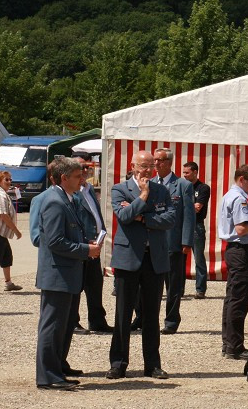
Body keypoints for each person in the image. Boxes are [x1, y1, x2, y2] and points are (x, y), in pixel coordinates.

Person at [106, 150, 175, 380]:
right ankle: (118, 363)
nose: (148, 170)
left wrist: (144, 218)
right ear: (133, 166)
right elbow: (124, 216)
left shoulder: (162, 190)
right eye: (143, 166)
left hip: (154, 259)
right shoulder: (119, 189)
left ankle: (152, 364)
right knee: (123, 314)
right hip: (128, 259)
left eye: (150, 166)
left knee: (151, 315)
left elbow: (170, 219)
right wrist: (143, 197)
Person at [35, 158, 101, 390]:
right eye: (76, 176)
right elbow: (54, 241)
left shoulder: (68, 199)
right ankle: (48, 376)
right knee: (52, 326)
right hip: (57, 275)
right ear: (64, 178)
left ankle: (57, 368)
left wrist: (87, 244)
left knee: (62, 326)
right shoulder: (55, 201)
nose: (82, 180)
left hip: (68, 273)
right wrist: (85, 250)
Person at [150, 148, 195, 335]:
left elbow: (188, 216)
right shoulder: (150, 184)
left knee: (173, 286)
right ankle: (147, 318)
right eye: (154, 161)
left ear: (168, 162)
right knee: (151, 284)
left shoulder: (183, 185)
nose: (156, 164)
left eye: (159, 160)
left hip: (173, 243)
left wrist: (186, 241)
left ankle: (171, 320)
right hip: (152, 243)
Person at [217, 164, 248, 360]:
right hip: (240, 250)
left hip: (235, 249)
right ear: (241, 179)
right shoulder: (239, 198)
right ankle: (234, 345)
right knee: (238, 299)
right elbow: (242, 229)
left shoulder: (230, 195)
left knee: (232, 297)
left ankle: (229, 343)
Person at [73, 156, 113, 333]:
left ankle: (97, 321)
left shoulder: (88, 189)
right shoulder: (72, 193)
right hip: (82, 246)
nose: (84, 171)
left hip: (94, 245)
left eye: (85, 167)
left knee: (95, 285)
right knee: (76, 286)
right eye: (80, 168)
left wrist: (101, 232)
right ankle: (73, 321)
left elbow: (96, 214)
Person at [182, 161, 210, 299]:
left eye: (187, 172)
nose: (184, 175)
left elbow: (197, 208)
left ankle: (200, 289)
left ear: (195, 172)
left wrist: (182, 208)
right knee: (180, 258)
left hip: (197, 226)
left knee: (198, 258)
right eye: (184, 173)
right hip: (182, 225)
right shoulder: (182, 186)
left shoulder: (203, 188)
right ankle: (178, 288)